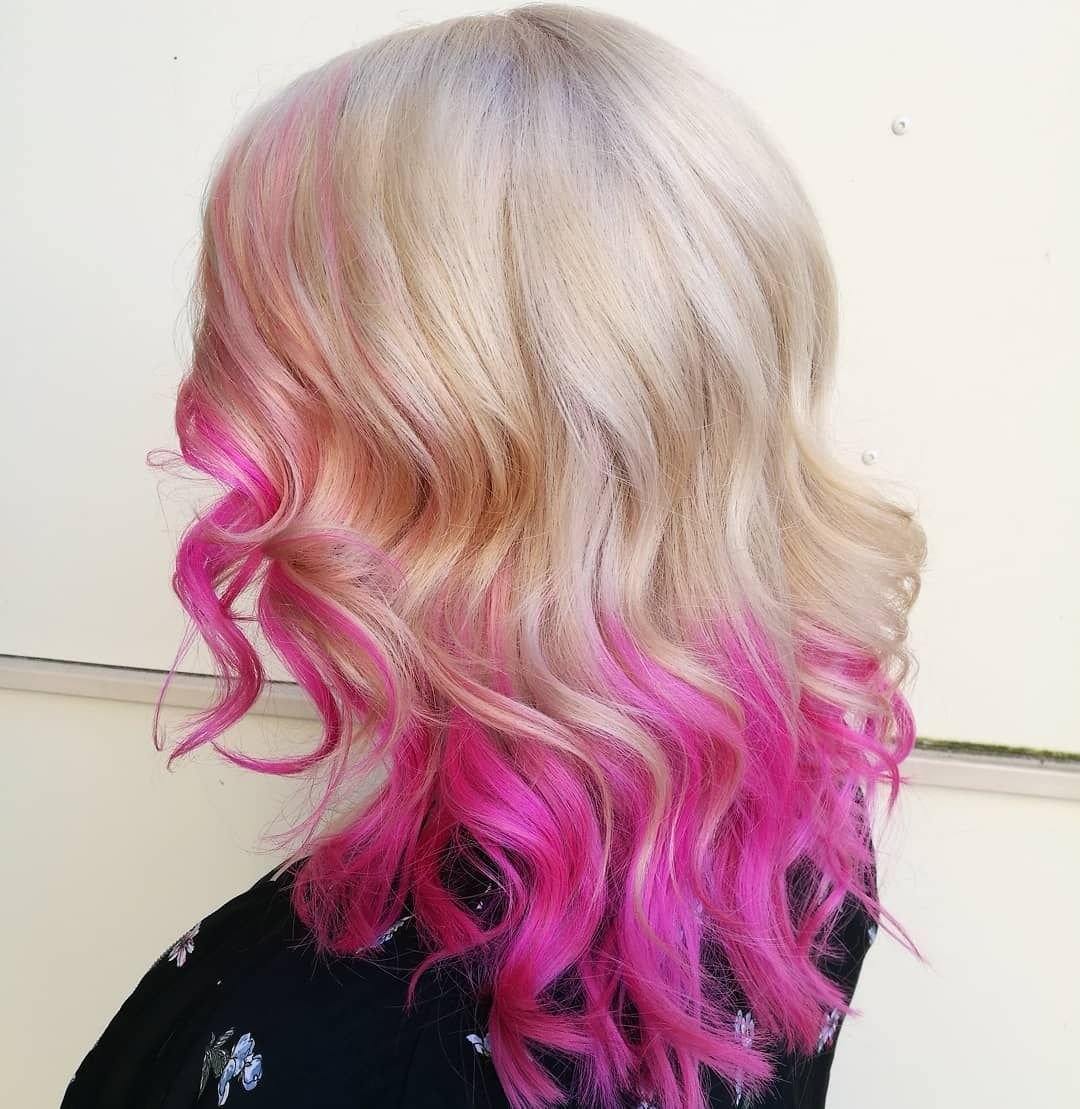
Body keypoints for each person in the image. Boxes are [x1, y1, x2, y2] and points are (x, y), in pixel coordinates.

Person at [63, 5, 924, 1107]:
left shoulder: (329, 1052)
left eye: (271, 365)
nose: (232, 435)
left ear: (438, 438)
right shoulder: (787, 815)